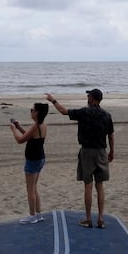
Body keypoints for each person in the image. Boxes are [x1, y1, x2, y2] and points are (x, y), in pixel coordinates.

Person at [45, 88, 114, 229]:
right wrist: (112, 150)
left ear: (93, 99)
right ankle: (100, 218)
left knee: (88, 185)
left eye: (88, 96)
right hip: (101, 151)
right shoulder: (107, 115)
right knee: (99, 186)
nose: (87, 98)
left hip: (87, 152)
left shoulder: (84, 112)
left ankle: (89, 218)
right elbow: (111, 134)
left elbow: (64, 111)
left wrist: (53, 100)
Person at [9, 102, 49, 224]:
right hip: (40, 158)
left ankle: (32, 216)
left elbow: (20, 140)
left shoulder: (35, 126)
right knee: (34, 188)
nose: (30, 111)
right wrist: (18, 126)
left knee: (30, 189)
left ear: (37, 113)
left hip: (33, 160)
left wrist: (13, 130)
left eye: (32, 110)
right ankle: (38, 214)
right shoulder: (42, 125)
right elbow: (29, 135)